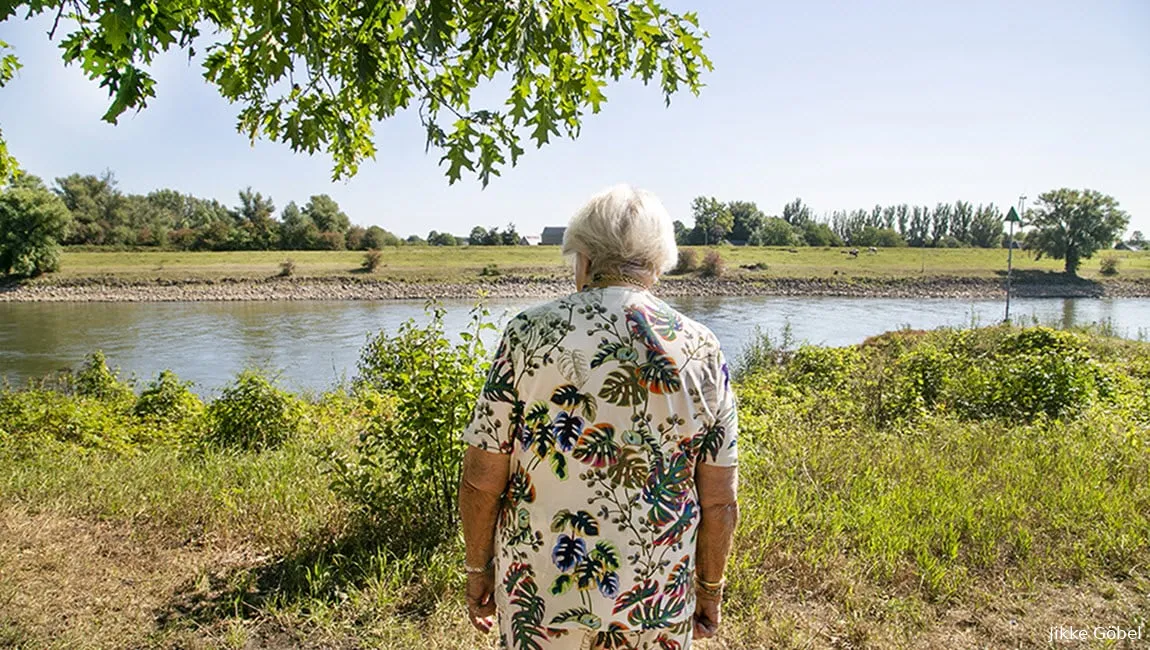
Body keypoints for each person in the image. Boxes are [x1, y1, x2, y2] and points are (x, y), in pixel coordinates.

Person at [458, 185, 739, 650]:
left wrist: (479, 569)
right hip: (655, 597)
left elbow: (482, 477)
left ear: (583, 258)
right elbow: (719, 499)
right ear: (655, 265)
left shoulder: (528, 334)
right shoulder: (700, 347)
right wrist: (709, 589)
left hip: (540, 593)